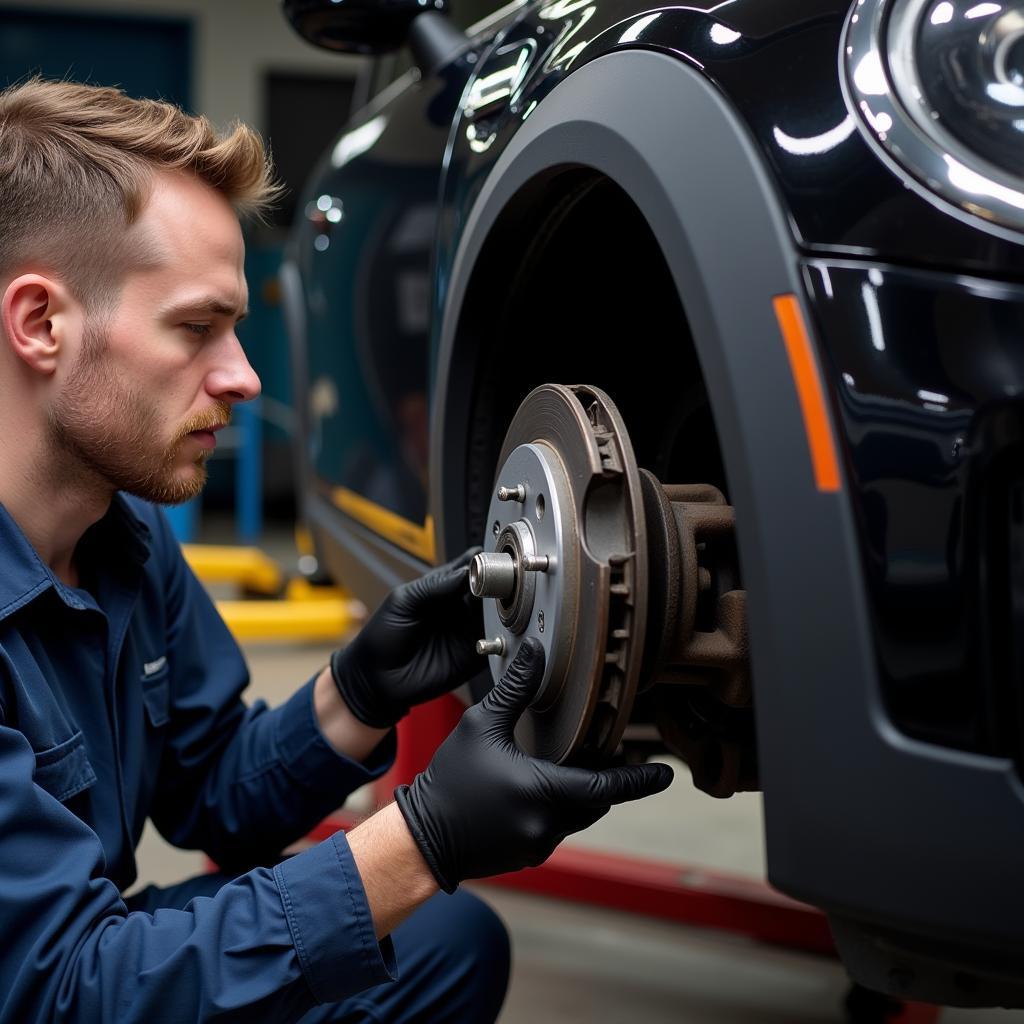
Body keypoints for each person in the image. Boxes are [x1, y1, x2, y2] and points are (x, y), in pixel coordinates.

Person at [0, 78, 673, 1022]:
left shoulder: (123, 533)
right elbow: (60, 991)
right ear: (40, 323)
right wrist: (425, 839)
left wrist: (356, 693)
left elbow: (212, 798)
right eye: (196, 328)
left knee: (445, 945)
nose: (243, 375)